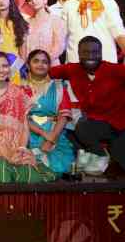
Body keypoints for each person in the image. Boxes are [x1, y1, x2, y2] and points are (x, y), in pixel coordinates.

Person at [0, 52, 56, 183]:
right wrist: (5, 151)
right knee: (1, 175)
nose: (1, 70)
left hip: (17, 143)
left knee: (30, 177)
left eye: (5, 66)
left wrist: (21, 148)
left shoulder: (17, 91)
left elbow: (24, 124)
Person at [50, 36, 125, 174]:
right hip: (94, 126)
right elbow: (45, 72)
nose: (90, 56)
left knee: (120, 163)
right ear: (78, 54)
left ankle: (105, 159)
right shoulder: (73, 69)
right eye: (85, 52)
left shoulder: (115, 70)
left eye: (94, 52)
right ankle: (101, 157)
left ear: (101, 53)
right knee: (71, 130)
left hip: (120, 126)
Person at [25, 49, 74, 176]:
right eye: (36, 61)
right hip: (27, 132)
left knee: (57, 165)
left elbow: (64, 116)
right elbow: (21, 116)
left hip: (54, 131)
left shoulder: (58, 87)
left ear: (49, 66)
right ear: (28, 64)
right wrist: (42, 133)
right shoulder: (20, 88)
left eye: (44, 62)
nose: (40, 65)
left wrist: (51, 139)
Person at [24, 0, 66, 65]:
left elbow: (59, 46)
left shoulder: (56, 20)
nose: (33, 1)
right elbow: (24, 47)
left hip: (50, 64)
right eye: (30, 0)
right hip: (31, 66)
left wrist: (43, 61)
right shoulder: (26, 22)